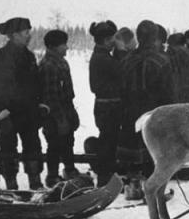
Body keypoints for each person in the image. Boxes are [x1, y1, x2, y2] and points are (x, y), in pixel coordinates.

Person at [0, 17, 45, 190]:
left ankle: (36, 185)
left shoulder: (29, 56)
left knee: (33, 149)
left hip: (29, 114)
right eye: (26, 33)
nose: (29, 36)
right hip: (7, 115)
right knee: (8, 152)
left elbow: (35, 84)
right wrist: (0, 112)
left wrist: (40, 104)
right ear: (14, 35)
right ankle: (11, 188)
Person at [117, 20, 175, 199]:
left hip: (130, 112)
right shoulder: (162, 60)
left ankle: (133, 187)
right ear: (154, 37)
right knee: (154, 152)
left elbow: (120, 88)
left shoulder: (126, 59)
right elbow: (168, 92)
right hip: (153, 113)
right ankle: (155, 193)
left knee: (133, 148)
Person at [38, 29, 81, 188]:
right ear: (54, 46)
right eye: (64, 45)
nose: (67, 48)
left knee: (68, 141)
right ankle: (52, 177)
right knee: (54, 145)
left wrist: (71, 113)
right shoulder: (49, 65)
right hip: (53, 114)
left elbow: (66, 93)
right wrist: (60, 119)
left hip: (65, 109)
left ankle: (69, 171)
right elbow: (50, 97)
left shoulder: (60, 62)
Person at [89, 20, 122, 187]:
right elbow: (121, 71)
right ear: (107, 40)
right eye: (112, 39)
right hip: (108, 107)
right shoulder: (103, 58)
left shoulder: (102, 56)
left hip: (106, 106)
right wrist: (122, 52)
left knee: (108, 141)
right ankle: (104, 179)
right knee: (107, 143)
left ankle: (106, 177)